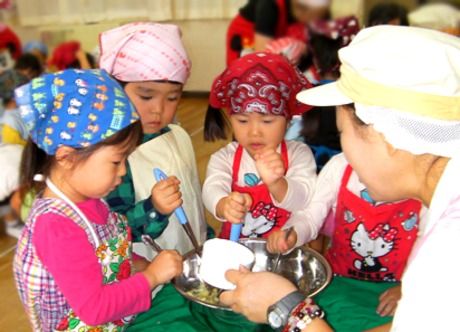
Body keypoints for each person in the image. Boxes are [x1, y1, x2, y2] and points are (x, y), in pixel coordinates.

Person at [219, 25, 460, 332]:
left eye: (343, 133)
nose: (342, 147)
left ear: (386, 137)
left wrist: (289, 309)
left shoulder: (448, 252)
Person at [13, 68, 184, 331]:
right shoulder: (57, 226)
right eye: (117, 160)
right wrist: (152, 277)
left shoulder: (90, 198)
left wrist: (141, 265)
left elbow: (107, 259)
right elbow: (95, 309)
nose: (124, 171)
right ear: (66, 157)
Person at [99, 22, 209, 331]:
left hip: (189, 269)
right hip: (147, 289)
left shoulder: (177, 134)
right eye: (146, 96)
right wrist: (154, 208)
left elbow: (194, 200)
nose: (159, 110)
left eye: (172, 97)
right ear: (115, 88)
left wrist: (209, 241)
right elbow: (110, 234)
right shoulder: (114, 157)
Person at [268, 152, 425, 331]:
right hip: (337, 281)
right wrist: (293, 233)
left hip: (393, 289)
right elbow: (310, 215)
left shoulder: (424, 178)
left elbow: (432, 252)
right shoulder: (340, 166)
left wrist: (408, 289)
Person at [203, 52, 316, 240]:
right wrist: (223, 204)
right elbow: (212, 186)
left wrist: (277, 183)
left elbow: (304, 199)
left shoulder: (299, 154)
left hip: (282, 254)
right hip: (235, 252)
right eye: (242, 120)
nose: (254, 132)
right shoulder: (225, 158)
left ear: (288, 121)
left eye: (267, 121)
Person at [226, 0, 330, 65]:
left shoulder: (317, 8)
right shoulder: (268, 5)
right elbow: (262, 54)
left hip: (276, 31)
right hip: (247, 34)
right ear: (300, 9)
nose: (314, 22)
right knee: (247, 71)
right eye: (313, 17)